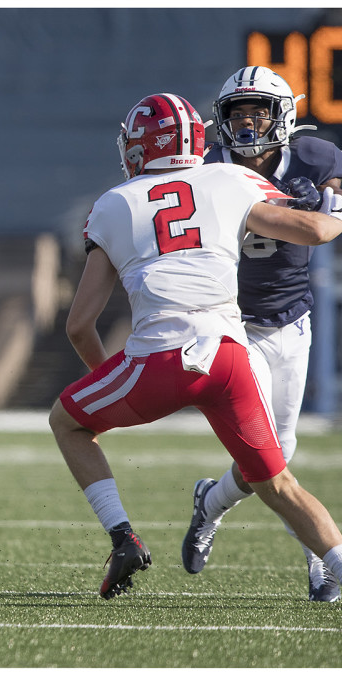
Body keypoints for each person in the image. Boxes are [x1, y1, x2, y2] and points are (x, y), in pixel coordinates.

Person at [49, 92, 342, 599]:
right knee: (279, 483)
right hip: (229, 355)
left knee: (67, 421)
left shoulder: (114, 204)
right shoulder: (229, 179)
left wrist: (112, 386)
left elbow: (80, 325)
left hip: (156, 360)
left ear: (139, 146)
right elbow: (315, 230)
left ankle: (123, 538)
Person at [181, 66, 342, 602]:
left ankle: (212, 502)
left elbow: (335, 195)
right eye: (238, 114)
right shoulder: (208, 166)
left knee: (283, 447)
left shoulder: (315, 158)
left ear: (283, 116)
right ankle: (322, 556)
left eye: (258, 112)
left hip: (292, 316)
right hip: (229, 319)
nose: (248, 123)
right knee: (267, 453)